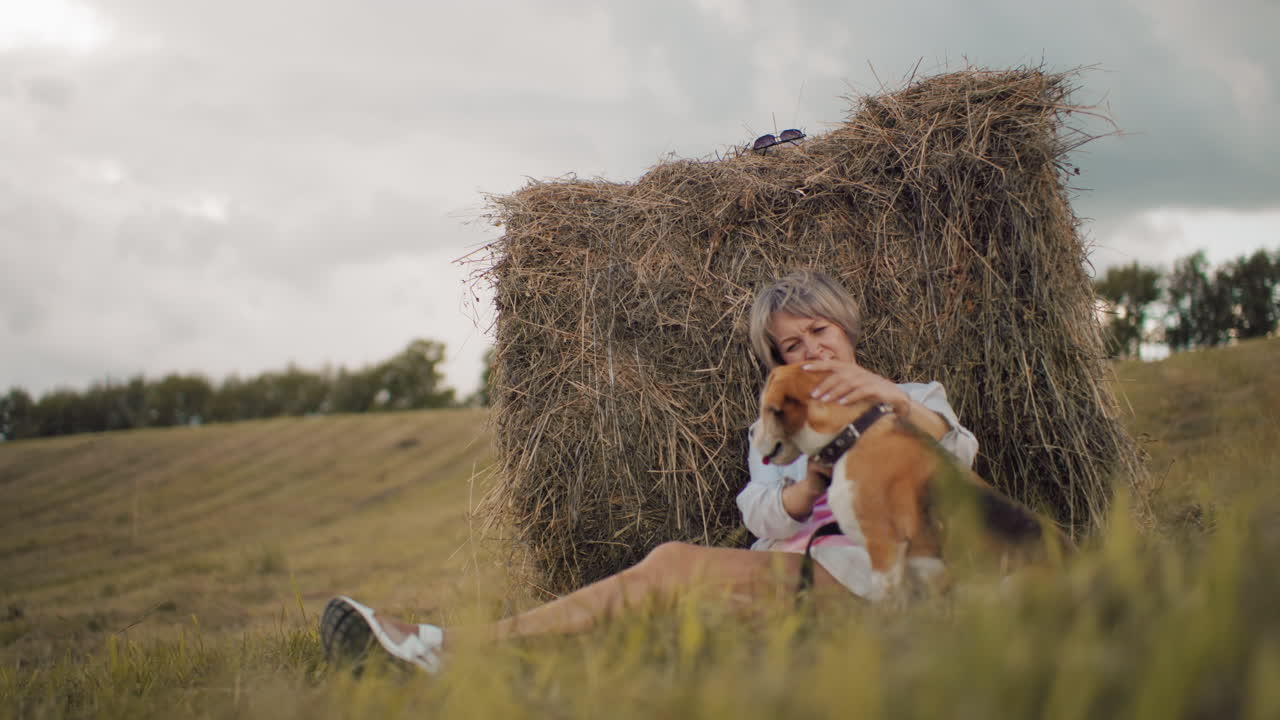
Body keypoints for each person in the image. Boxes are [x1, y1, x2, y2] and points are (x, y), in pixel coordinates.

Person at [320, 269, 978, 673]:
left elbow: (960, 463)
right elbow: (758, 512)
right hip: (799, 569)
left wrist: (883, 395)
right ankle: (450, 653)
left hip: (885, 579)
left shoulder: (915, 395)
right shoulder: (777, 423)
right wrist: (807, 484)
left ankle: (443, 649)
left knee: (669, 570)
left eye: (820, 332)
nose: (811, 350)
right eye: (792, 345)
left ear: (846, 328)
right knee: (654, 602)